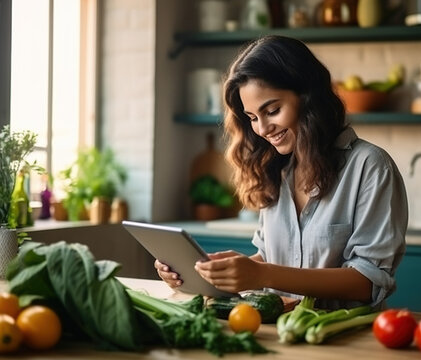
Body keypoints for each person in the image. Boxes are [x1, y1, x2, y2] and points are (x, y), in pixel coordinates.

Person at [156, 35, 408, 309]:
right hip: (279, 332)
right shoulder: (274, 168)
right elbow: (272, 259)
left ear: (308, 98)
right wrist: (212, 272)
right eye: (252, 118)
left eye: (272, 110)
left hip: (341, 338)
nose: (262, 129)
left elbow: (368, 281)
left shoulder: (370, 166)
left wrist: (260, 274)